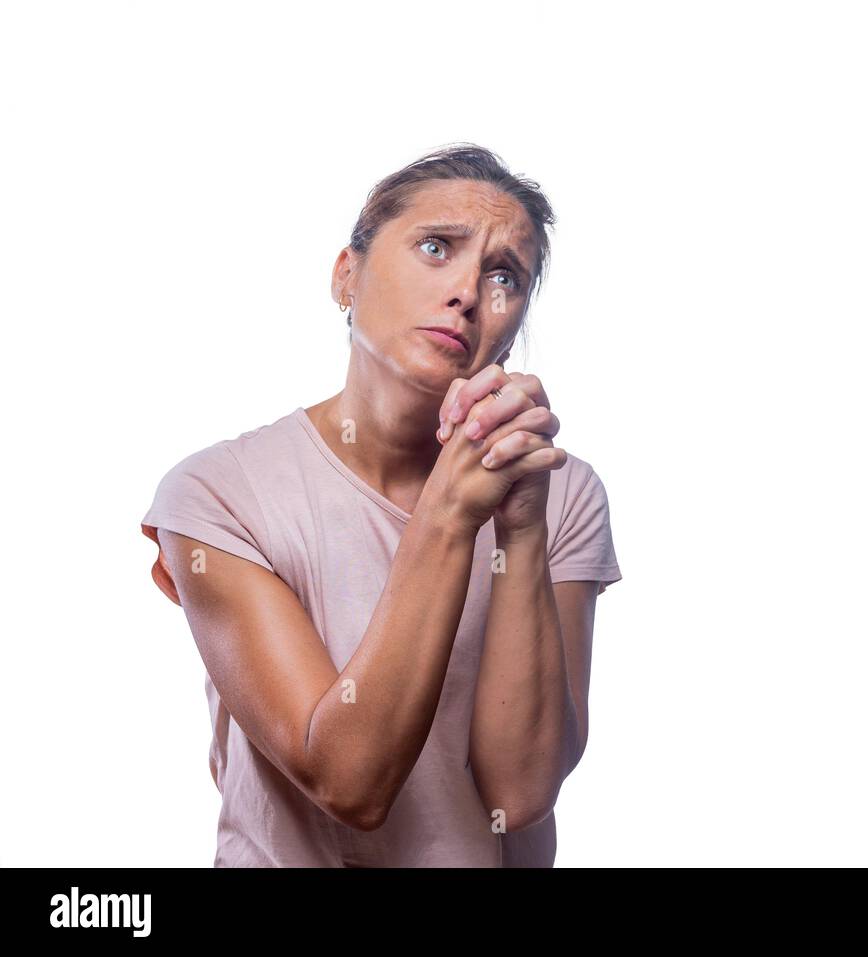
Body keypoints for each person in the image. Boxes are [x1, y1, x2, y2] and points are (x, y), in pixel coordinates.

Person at [139, 144, 622, 867]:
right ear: (347, 274)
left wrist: (520, 527)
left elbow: (518, 795)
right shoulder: (218, 495)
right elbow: (348, 781)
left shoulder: (561, 489)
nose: (466, 290)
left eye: (504, 276)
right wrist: (452, 512)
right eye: (436, 247)